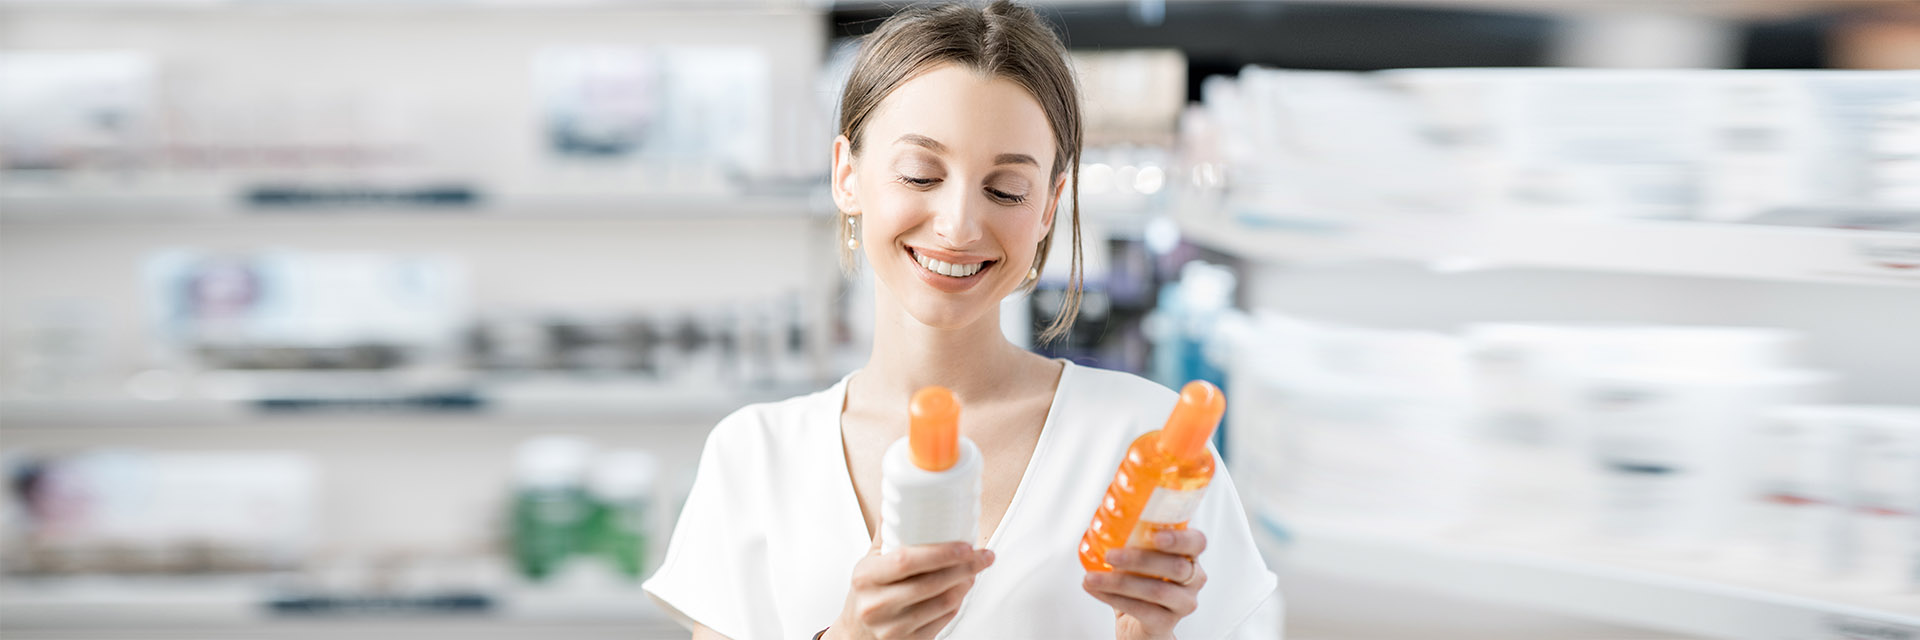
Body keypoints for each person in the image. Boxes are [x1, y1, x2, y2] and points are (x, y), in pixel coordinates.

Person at [642, 2, 1279, 638]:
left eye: (1005, 191)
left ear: (1050, 207)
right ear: (847, 175)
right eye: (921, 174)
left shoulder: (1148, 445)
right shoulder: (755, 458)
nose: (959, 225)